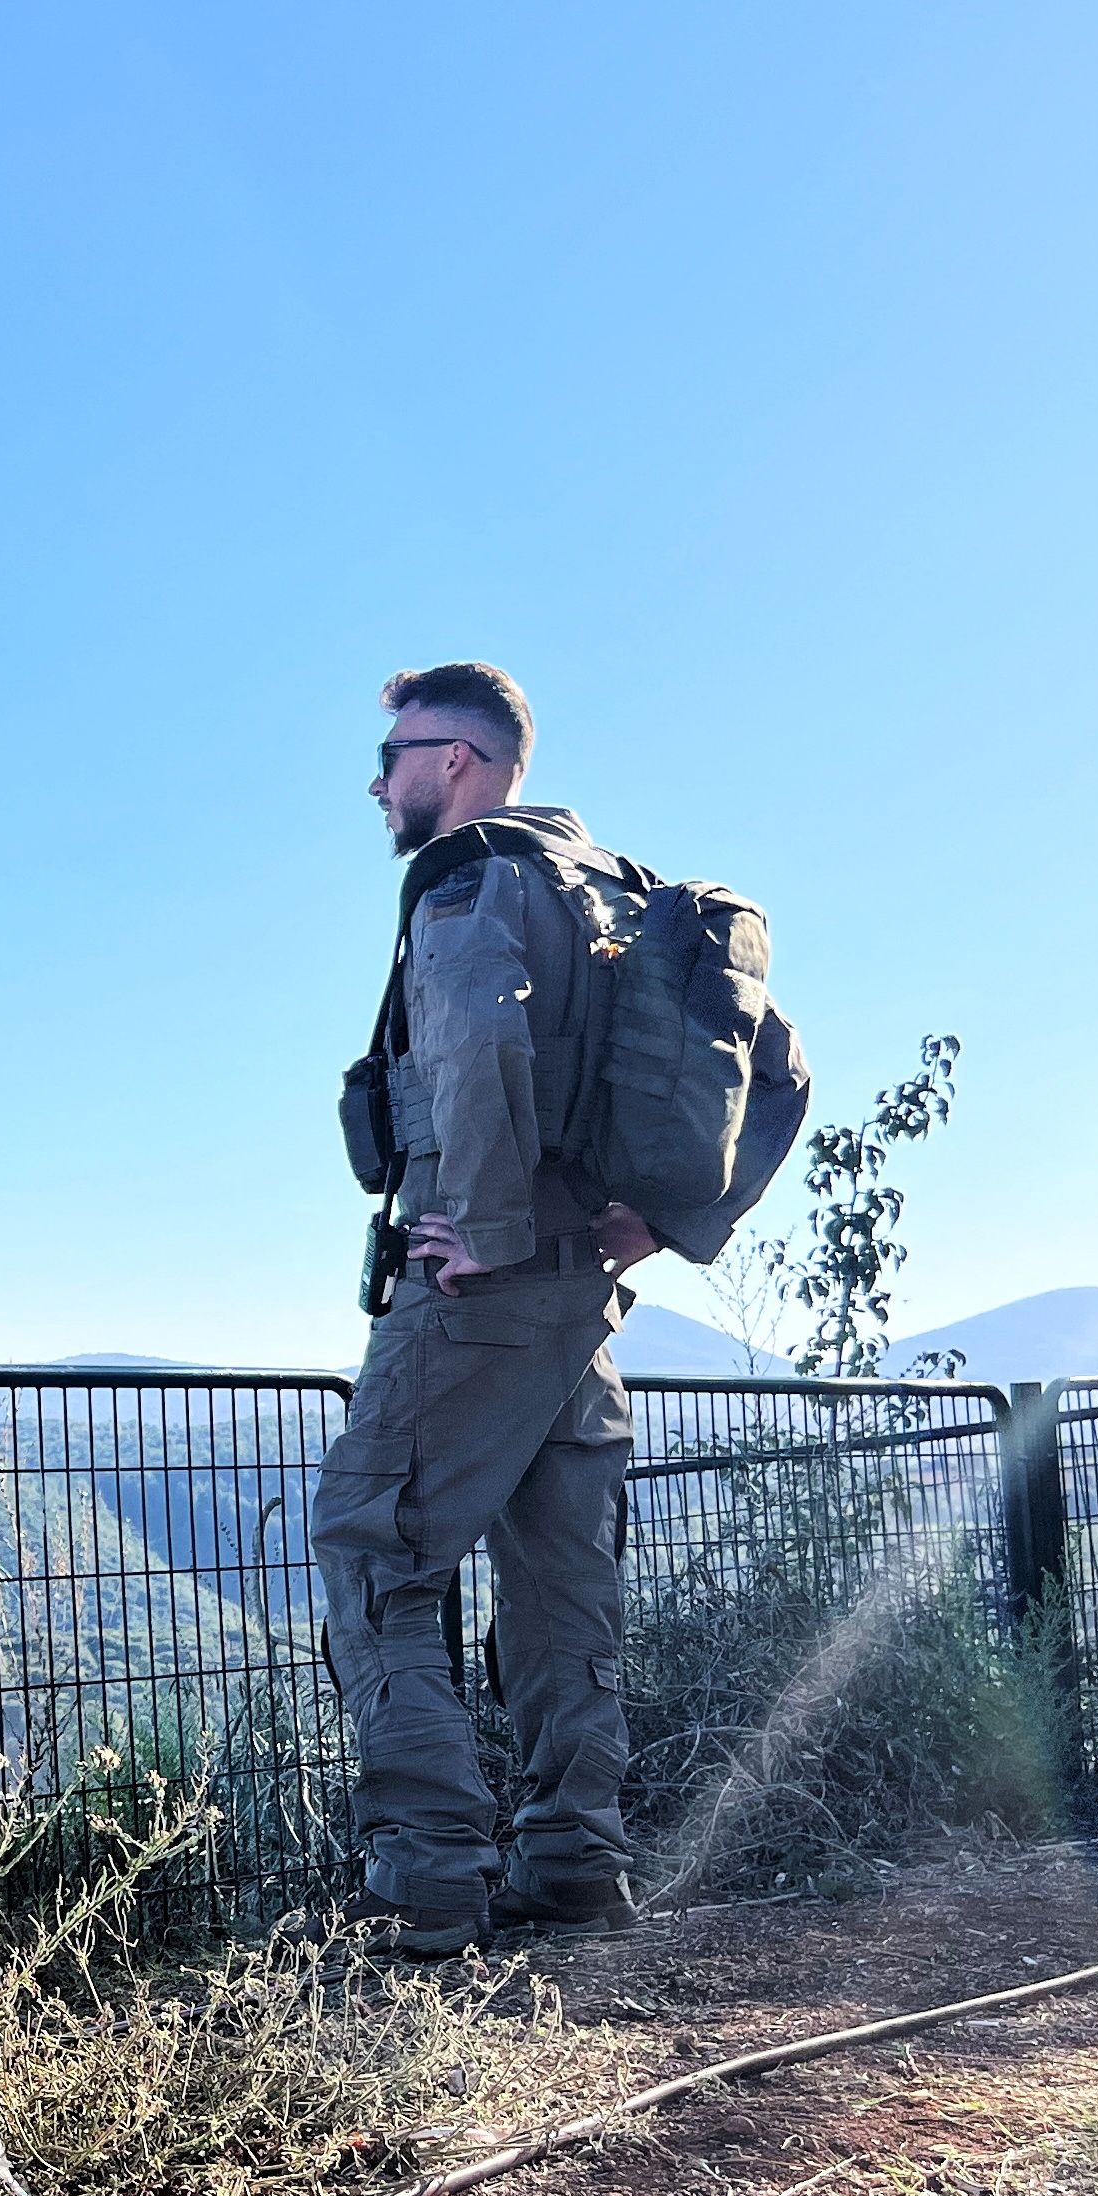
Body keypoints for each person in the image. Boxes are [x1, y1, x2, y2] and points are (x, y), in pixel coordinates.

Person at [313, 663, 659, 1958]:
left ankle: (428, 1869)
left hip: (478, 1286)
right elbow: (775, 1067)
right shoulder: (620, 897)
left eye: (394, 753)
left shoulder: (470, 881)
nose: (378, 780)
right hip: (584, 1301)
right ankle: (574, 1861)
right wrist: (649, 1227)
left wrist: (495, 1234)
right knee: (562, 1576)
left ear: (458, 760)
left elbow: (473, 1040)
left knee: (370, 1539)